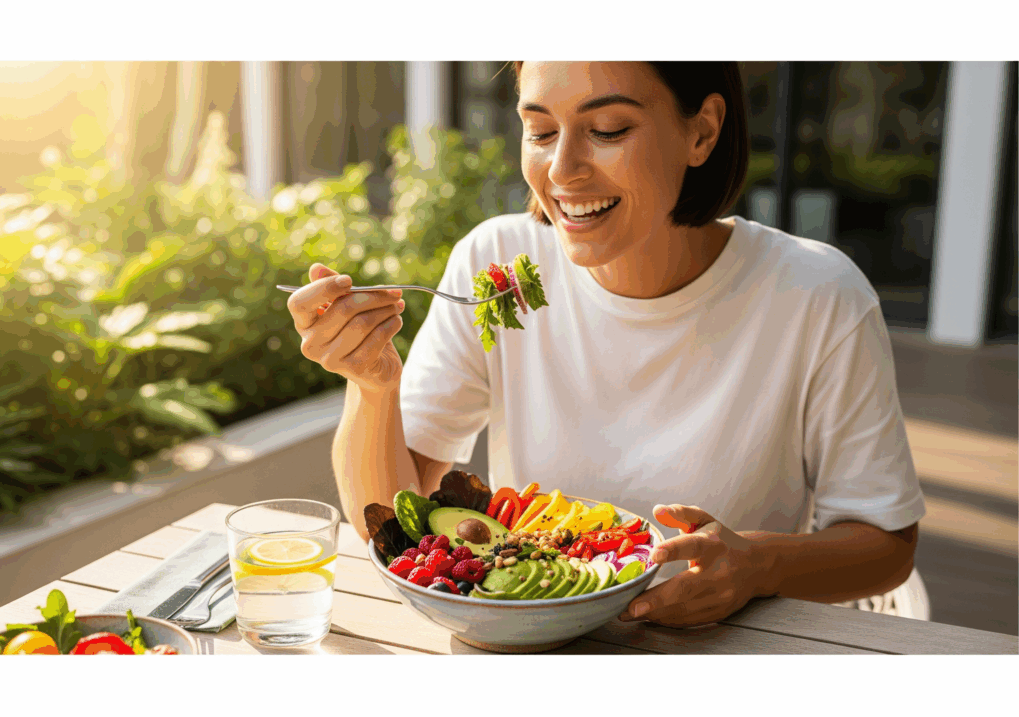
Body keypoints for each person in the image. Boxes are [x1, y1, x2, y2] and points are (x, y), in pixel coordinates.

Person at [286, 62, 925, 628]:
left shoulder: (818, 294)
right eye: (539, 131)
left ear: (701, 131)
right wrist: (373, 386)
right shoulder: (495, 265)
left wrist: (758, 566)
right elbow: (397, 526)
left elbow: (886, 546)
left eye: (609, 129)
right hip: (533, 647)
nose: (561, 171)